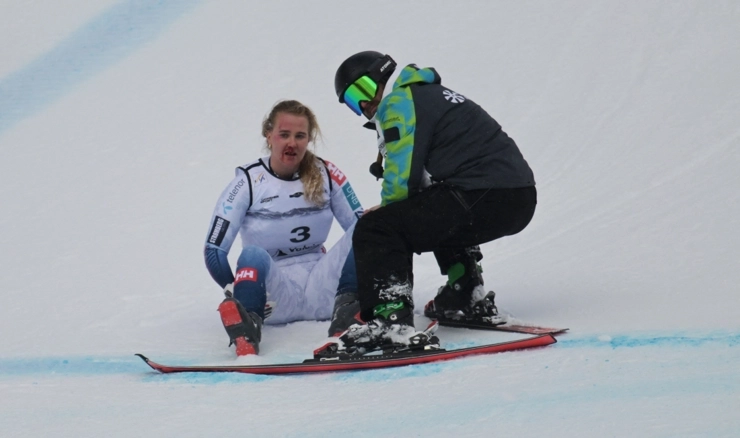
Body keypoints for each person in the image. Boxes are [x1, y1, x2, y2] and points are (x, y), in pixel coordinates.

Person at [330, 51, 537, 353]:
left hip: (482, 192)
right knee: (432, 205)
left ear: (381, 76)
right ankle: (464, 292)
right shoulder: (427, 94)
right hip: (518, 197)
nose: (362, 104)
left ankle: (390, 320)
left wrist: (385, 213)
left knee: (376, 229)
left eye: (362, 90)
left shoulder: (398, 101)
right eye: (351, 101)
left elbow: (403, 174)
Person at [204, 100, 363, 356]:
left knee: (369, 227)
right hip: (274, 298)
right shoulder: (248, 181)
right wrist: (231, 286)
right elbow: (214, 249)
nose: (292, 143)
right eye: (284, 134)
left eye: (300, 136)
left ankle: (350, 314)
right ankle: (248, 328)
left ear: (309, 139)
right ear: (269, 136)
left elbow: (364, 230)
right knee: (252, 254)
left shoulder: (326, 172)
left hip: (324, 289)